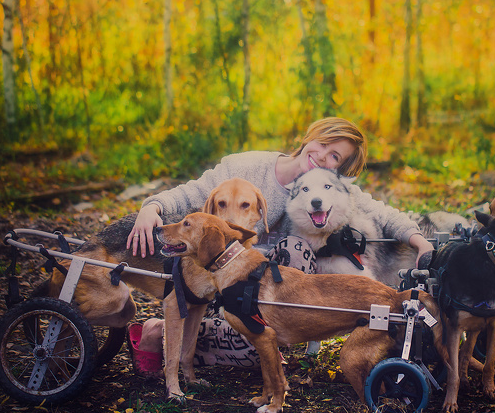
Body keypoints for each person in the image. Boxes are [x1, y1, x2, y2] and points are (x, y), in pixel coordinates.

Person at [126, 117, 434, 376]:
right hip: (223, 283)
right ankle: (161, 331)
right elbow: (191, 193)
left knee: (295, 248)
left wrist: (417, 239)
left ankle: (252, 338)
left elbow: (379, 211)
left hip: (268, 295)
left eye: (335, 158)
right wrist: (152, 207)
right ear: (310, 137)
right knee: (254, 342)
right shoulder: (246, 167)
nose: (324, 157)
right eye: (324, 145)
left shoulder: (321, 192)